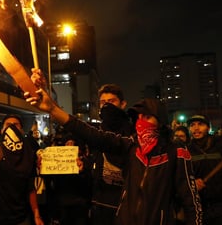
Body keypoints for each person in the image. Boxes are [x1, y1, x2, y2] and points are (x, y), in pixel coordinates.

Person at [25, 68, 202, 225]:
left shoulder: (176, 151)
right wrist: (52, 109)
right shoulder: (132, 146)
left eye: (147, 117)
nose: (141, 122)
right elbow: (88, 132)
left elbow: (190, 199)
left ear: (161, 121)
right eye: (138, 118)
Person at [90, 83, 133, 225]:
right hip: (99, 202)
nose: (107, 106)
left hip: (126, 202)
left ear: (123, 104)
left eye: (112, 101)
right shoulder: (95, 131)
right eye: (103, 102)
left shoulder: (133, 132)